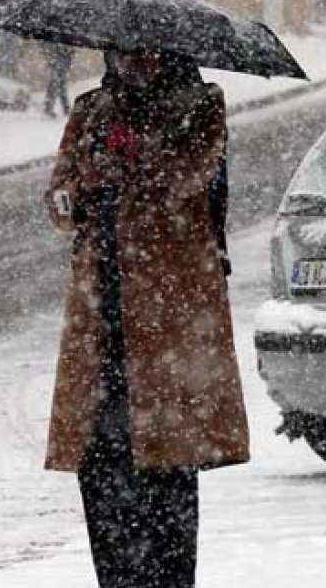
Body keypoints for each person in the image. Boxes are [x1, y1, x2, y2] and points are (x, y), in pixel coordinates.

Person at [42, 48, 249, 588]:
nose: (129, 62)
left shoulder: (198, 107)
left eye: (142, 53)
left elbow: (184, 184)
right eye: (119, 52)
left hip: (167, 326)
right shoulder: (91, 110)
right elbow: (59, 197)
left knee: (165, 478)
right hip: (101, 324)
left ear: (168, 56)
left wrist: (129, 164)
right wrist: (77, 191)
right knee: (103, 471)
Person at [43, 41, 74, 118]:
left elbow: (70, 52)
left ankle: (64, 108)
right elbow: (47, 50)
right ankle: (49, 108)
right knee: (55, 85)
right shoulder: (54, 40)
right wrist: (51, 60)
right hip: (56, 65)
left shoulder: (65, 40)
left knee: (61, 86)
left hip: (62, 65)